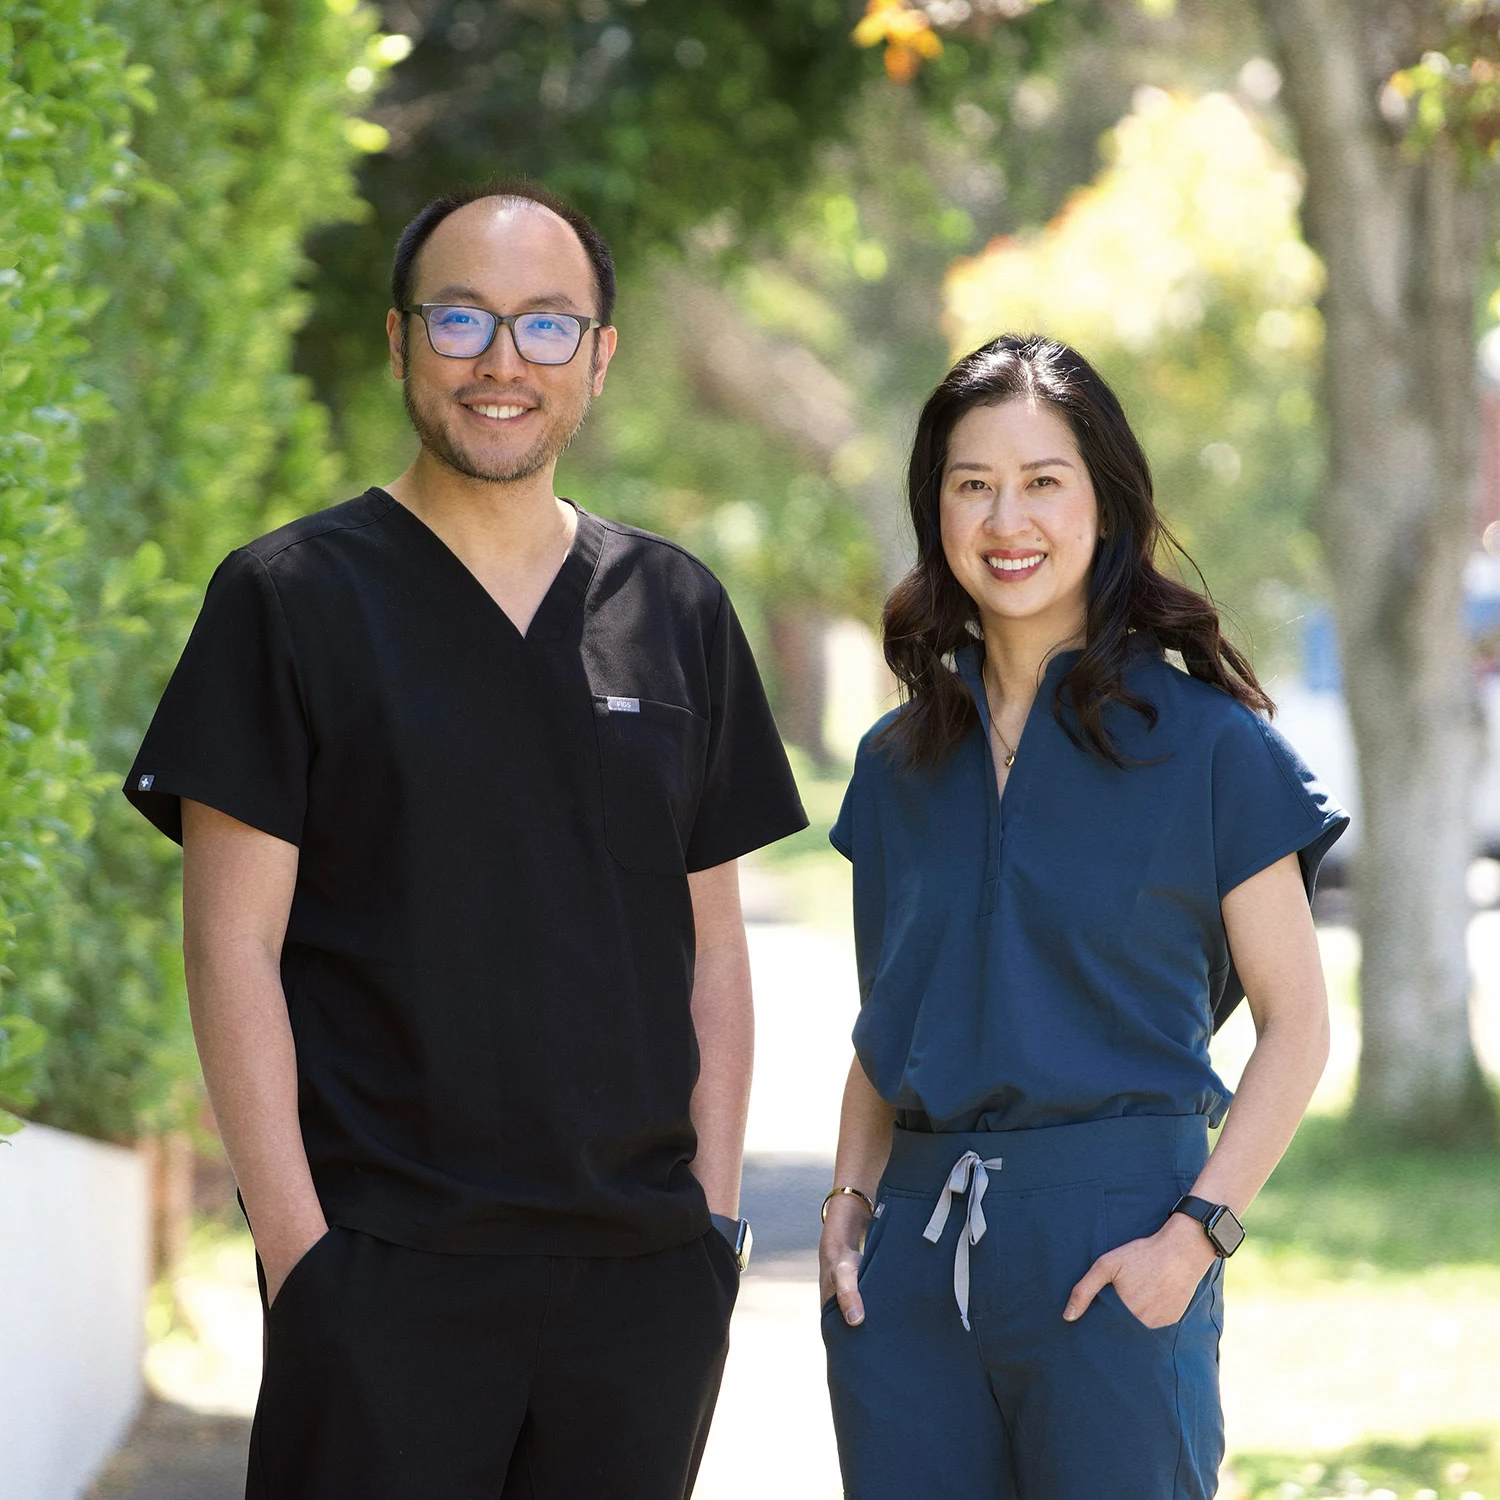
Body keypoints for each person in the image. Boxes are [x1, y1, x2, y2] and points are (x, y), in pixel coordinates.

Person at [123, 180, 807, 1499]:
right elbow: (229, 950)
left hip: (638, 1290)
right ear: (399, 341)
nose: (504, 361)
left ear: (600, 360)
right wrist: (300, 1257)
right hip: (380, 1276)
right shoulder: (287, 600)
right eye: (462, 318)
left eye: (549, 325)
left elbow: (712, 947)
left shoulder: (675, 607)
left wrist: (708, 1232)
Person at [818, 335, 1348, 1500]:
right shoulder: (894, 763)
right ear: (937, 511)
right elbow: (885, 1026)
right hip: (910, 1264)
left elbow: (1299, 1027)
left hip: (1119, 1243)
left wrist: (1197, 1237)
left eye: (1043, 481)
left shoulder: (1213, 745)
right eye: (973, 485)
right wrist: (849, 1208)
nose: (1008, 520)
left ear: (1106, 504)